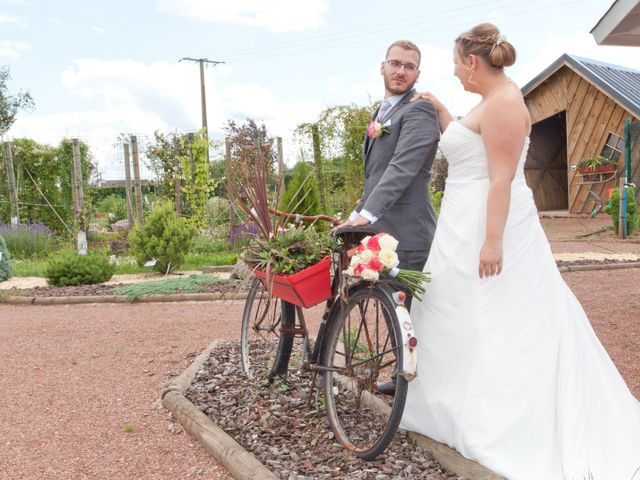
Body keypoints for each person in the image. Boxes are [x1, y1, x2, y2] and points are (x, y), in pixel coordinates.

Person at [400, 23, 640, 479]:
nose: (453, 71)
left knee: (500, 315)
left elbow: (500, 178)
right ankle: (451, 407)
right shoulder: (490, 102)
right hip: (461, 222)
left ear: (472, 62)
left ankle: (499, 423)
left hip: (489, 225)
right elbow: (472, 148)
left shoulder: (508, 103)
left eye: (455, 63)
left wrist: (492, 241)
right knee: (456, 312)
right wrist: (442, 109)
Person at [339, 40, 439, 277]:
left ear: (418, 74)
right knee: (392, 311)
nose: (401, 71)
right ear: (382, 67)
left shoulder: (420, 109)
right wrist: (353, 218)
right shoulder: (382, 112)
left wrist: (365, 217)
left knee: (412, 313)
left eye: (409, 66)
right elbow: (375, 177)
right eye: (395, 63)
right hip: (382, 235)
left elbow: (401, 168)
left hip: (409, 239)